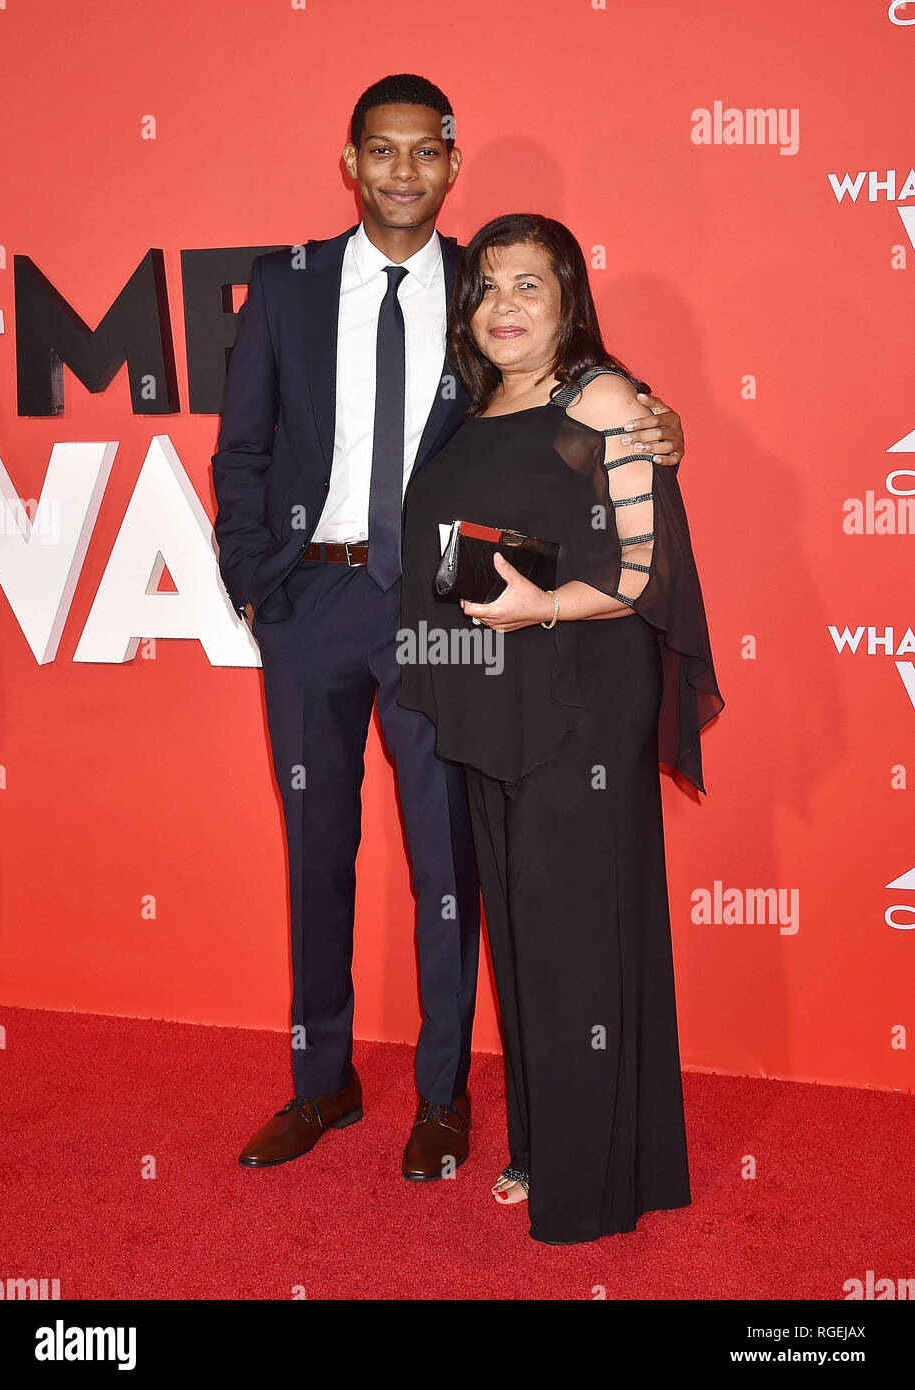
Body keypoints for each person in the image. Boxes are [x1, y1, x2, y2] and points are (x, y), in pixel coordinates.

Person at [211, 75, 688, 1182]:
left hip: (445, 610)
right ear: (351, 162)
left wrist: (652, 415)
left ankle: (442, 1096)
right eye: (381, 152)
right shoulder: (286, 286)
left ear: (452, 164)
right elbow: (241, 446)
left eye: (425, 152)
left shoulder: (486, 283)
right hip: (311, 604)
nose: (402, 173)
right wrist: (250, 579)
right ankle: (319, 1080)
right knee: (315, 854)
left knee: (449, 858)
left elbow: (566, 383)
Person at [399, 213, 724, 1242]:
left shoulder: (606, 398)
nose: (503, 306)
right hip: (493, 692)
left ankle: (592, 1178)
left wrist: (536, 607)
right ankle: (541, 1143)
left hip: (581, 697)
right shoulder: (475, 404)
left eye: (528, 287)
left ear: (570, 300)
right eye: (488, 287)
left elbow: (643, 573)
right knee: (527, 934)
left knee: (576, 930)